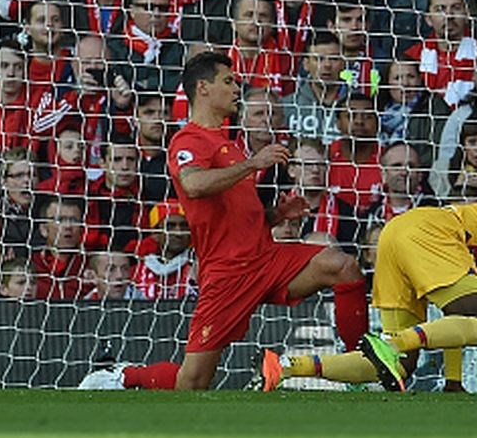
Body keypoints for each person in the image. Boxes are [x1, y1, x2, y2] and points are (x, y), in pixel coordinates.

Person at [78, 52, 368, 391]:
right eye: (228, 81)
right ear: (203, 88)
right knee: (193, 382)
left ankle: (360, 369)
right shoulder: (189, 140)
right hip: (228, 272)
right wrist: (252, 164)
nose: (236, 89)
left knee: (342, 265)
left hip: (265, 258)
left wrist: (276, 215)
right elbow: (193, 184)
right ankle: (121, 376)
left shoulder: (228, 145)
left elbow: (235, 216)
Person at [265, 204, 477, 394]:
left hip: (395, 232)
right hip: (431, 233)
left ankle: (288, 367)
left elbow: (454, 316)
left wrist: (453, 380)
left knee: (400, 368)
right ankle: (393, 343)